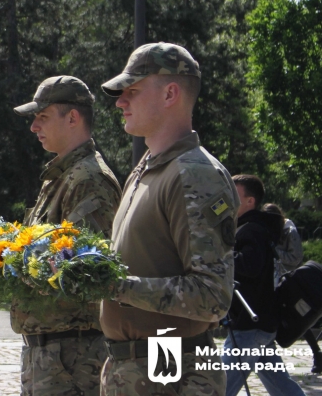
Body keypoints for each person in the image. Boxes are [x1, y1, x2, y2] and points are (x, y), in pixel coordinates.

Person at [98, 42, 239, 396]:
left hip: (170, 368)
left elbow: (212, 296)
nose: (120, 101)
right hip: (133, 367)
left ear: (170, 94)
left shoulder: (195, 174)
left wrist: (114, 285)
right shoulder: (148, 168)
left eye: (132, 91)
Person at [11, 75, 121, 396]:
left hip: (73, 354)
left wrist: (18, 264)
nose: (34, 127)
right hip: (51, 353)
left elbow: (81, 271)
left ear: (72, 117)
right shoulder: (62, 177)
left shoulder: (89, 179)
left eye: (42, 117)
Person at [222, 175, 305, 396]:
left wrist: (220, 256)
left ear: (250, 201)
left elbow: (250, 265)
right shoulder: (257, 228)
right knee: (281, 386)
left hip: (250, 325)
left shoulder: (252, 230)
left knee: (219, 388)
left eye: (234, 194)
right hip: (260, 322)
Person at [264, 202, 322, 374]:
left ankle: (316, 353)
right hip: (273, 279)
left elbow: (295, 257)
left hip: (291, 282)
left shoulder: (289, 228)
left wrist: (273, 252)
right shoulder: (266, 229)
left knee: (295, 318)